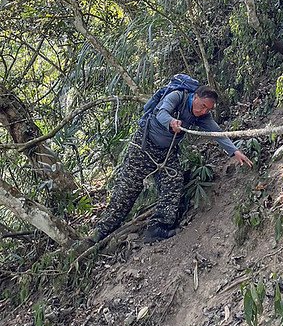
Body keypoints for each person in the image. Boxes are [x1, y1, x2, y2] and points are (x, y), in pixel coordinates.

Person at [90, 85, 252, 245]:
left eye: (208, 109)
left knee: (173, 183)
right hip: (144, 148)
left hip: (166, 153)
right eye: (202, 106)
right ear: (195, 97)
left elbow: (217, 133)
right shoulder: (177, 96)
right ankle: (101, 232)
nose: (204, 111)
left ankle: (157, 228)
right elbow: (161, 113)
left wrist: (235, 152)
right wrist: (171, 121)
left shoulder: (202, 116)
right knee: (127, 189)